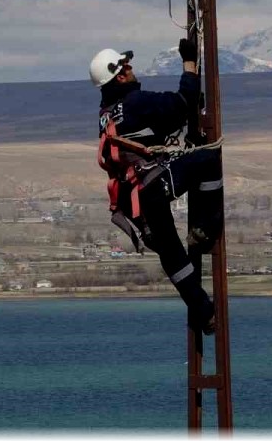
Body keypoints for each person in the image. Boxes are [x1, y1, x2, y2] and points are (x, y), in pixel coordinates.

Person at [90, 39, 225, 334]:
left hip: (131, 201)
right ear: (120, 75)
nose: (133, 69)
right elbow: (181, 104)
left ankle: (204, 312)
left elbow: (148, 132)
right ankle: (205, 227)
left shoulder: (105, 115)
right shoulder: (135, 102)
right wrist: (189, 64)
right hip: (150, 187)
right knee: (208, 160)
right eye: (127, 66)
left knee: (172, 254)